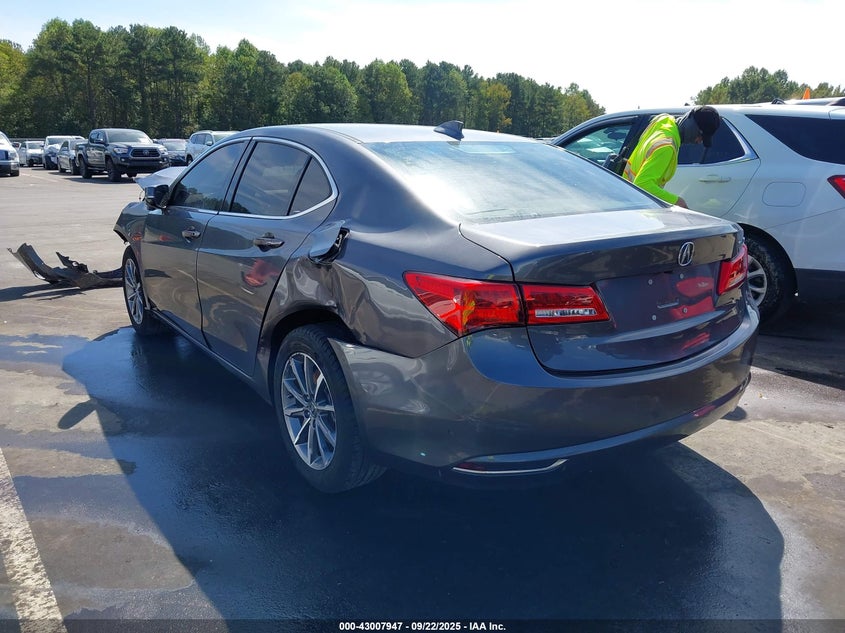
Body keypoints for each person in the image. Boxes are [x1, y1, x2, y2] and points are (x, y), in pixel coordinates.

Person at [622, 105, 721, 208]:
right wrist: (678, 201)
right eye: (700, 135)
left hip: (627, 195)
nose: (699, 141)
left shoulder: (663, 120)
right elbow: (642, 184)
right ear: (691, 125)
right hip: (635, 204)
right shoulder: (666, 147)